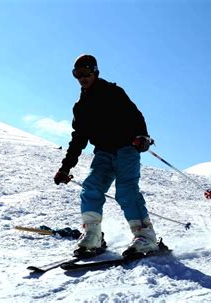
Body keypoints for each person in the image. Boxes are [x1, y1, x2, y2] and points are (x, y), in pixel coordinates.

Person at [54, 54, 158, 258]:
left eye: (86, 72)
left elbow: (135, 115)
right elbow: (78, 139)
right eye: (78, 74)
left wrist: (142, 136)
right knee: (91, 187)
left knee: (126, 190)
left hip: (126, 148)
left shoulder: (112, 92)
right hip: (103, 151)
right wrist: (66, 167)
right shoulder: (81, 107)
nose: (82, 77)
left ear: (95, 72)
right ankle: (93, 235)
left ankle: (145, 236)